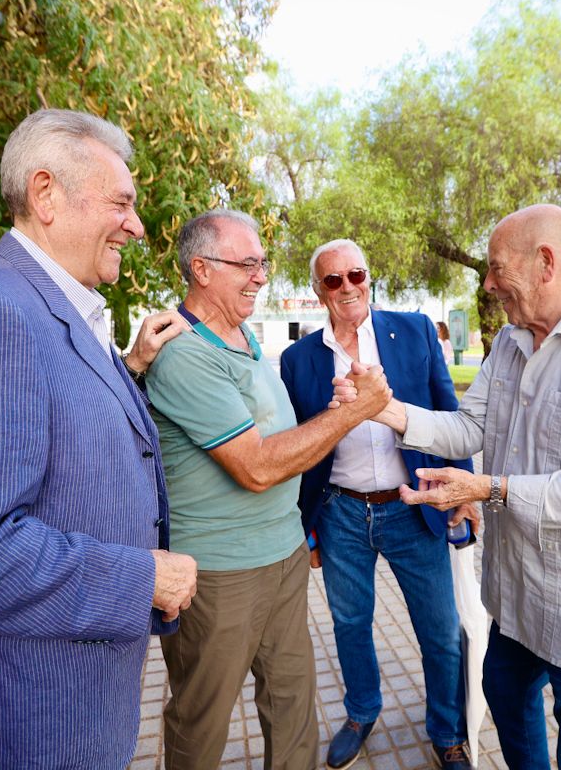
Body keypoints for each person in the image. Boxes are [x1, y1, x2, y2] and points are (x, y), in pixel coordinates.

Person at [0, 108, 199, 769]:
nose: (136, 225)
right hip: (31, 713)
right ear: (46, 194)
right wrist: (141, 578)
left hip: (72, 693)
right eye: (122, 203)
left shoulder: (51, 304)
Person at [342, 204, 561, 770]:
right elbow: (470, 427)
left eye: (496, 268)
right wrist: (385, 410)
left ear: (545, 262)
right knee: (504, 695)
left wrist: (488, 488)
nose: (488, 283)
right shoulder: (512, 343)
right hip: (517, 597)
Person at [144, 210, 392, 770]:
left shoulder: (246, 337)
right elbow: (255, 467)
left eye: (263, 263)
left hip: (283, 555)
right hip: (220, 575)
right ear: (201, 269)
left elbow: (279, 436)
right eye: (247, 264)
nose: (261, 276)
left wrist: (335, 409)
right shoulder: (186, 355)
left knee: (292, 705)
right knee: (201, 724)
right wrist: (355, 417)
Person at [280, 240, 473, 770]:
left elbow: (450, 414)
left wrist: (463, 488)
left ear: (369, 277)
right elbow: (298, 441)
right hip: (341, 512)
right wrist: (310, 529)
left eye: (354, 274)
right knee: (349, 623)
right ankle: (362, 712)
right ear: (319, 290)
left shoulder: (412, 331)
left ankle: (448, 731)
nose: (346, 287)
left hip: (412, 506)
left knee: (439, 629)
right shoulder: (299, 359)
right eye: (332, 280)